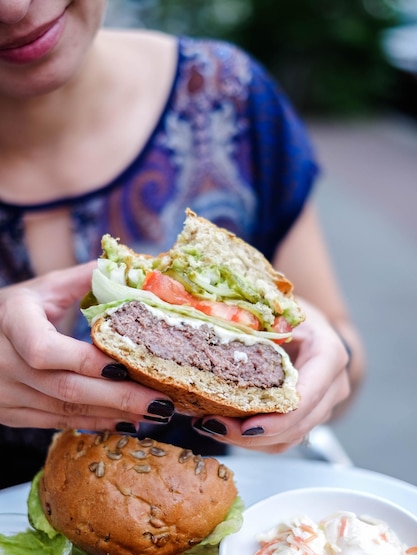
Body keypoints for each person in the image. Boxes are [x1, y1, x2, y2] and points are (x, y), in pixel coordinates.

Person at [0, 0, 365, 488]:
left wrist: (321, 359)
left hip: (209, 528)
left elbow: (347, 360)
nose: (13, 7)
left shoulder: (227, 96)